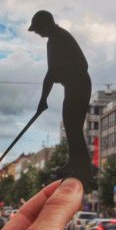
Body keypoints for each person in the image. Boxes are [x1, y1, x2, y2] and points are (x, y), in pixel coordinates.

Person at [28, 10, 92, 185]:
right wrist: (45, 97)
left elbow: (53, 73)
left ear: (45, 24)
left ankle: (83, 168)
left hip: (79, 85)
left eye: (37, 29)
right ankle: (75, 164)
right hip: (75, 86)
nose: (36, 33)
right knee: (71, 126)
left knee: (73, 126)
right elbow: (54, 73)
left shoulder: (58, 39)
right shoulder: (56, 38)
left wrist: (43, 99)